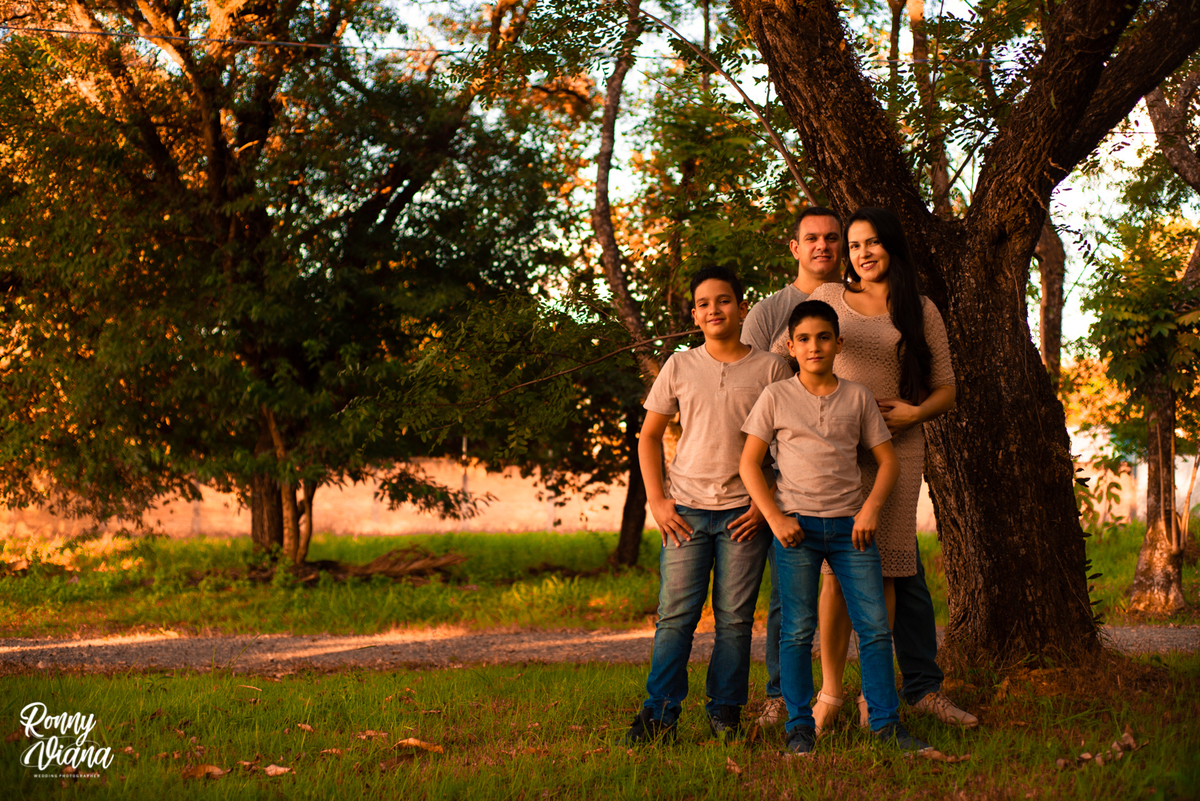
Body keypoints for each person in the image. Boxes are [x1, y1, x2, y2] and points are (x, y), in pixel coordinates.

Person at [808, 207, 977, 731]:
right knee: (837, 573)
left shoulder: (919, 309)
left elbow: (947, 386)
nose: (862, 252)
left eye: (873, 242)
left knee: (884, 569)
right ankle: (831, 695)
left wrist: (915, 411)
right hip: (836, 454)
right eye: (855, 244)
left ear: (892, 247)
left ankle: (873, 699)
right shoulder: (830, 300)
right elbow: (790, 357)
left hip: (897, 452)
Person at [739, 299, 929, 755]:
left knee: (876, 628)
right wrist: (775, 517)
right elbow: (749, 464)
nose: (814, 346)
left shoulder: (857, 396)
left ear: (838, 343)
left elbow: (886, 463)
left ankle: (886, 724)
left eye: (824, 337)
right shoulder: (776, 397)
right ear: (790, 346)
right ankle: (799, 727)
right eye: (803, 339)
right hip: (796, 532)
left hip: (851, 529)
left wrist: (871, 511)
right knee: (797, 631)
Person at [624, 266, 791, 744]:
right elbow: (650, 435)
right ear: (694, 314)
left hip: (745, 512)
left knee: (735, 620)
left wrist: (767, 504)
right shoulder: (679, 365)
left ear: (742, 307)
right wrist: (657, 499)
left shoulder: (771, 369)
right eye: (703, 303)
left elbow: (787, 445)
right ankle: (658, 716)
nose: (714, 309)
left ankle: (725, 713)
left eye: (723, 300)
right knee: (675, 616)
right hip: (687, 511)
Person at [740, 206, 844, 724]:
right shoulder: (768, 313)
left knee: (861, 589)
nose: (822, 246)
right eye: (811, 238)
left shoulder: (854, 303)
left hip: (849, 469)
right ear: (795, 248)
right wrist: (767, 492)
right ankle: (781, 697)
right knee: (788, 597)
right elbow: (756, 398)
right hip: (786, 479)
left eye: (831, 238)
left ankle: (846, 693)